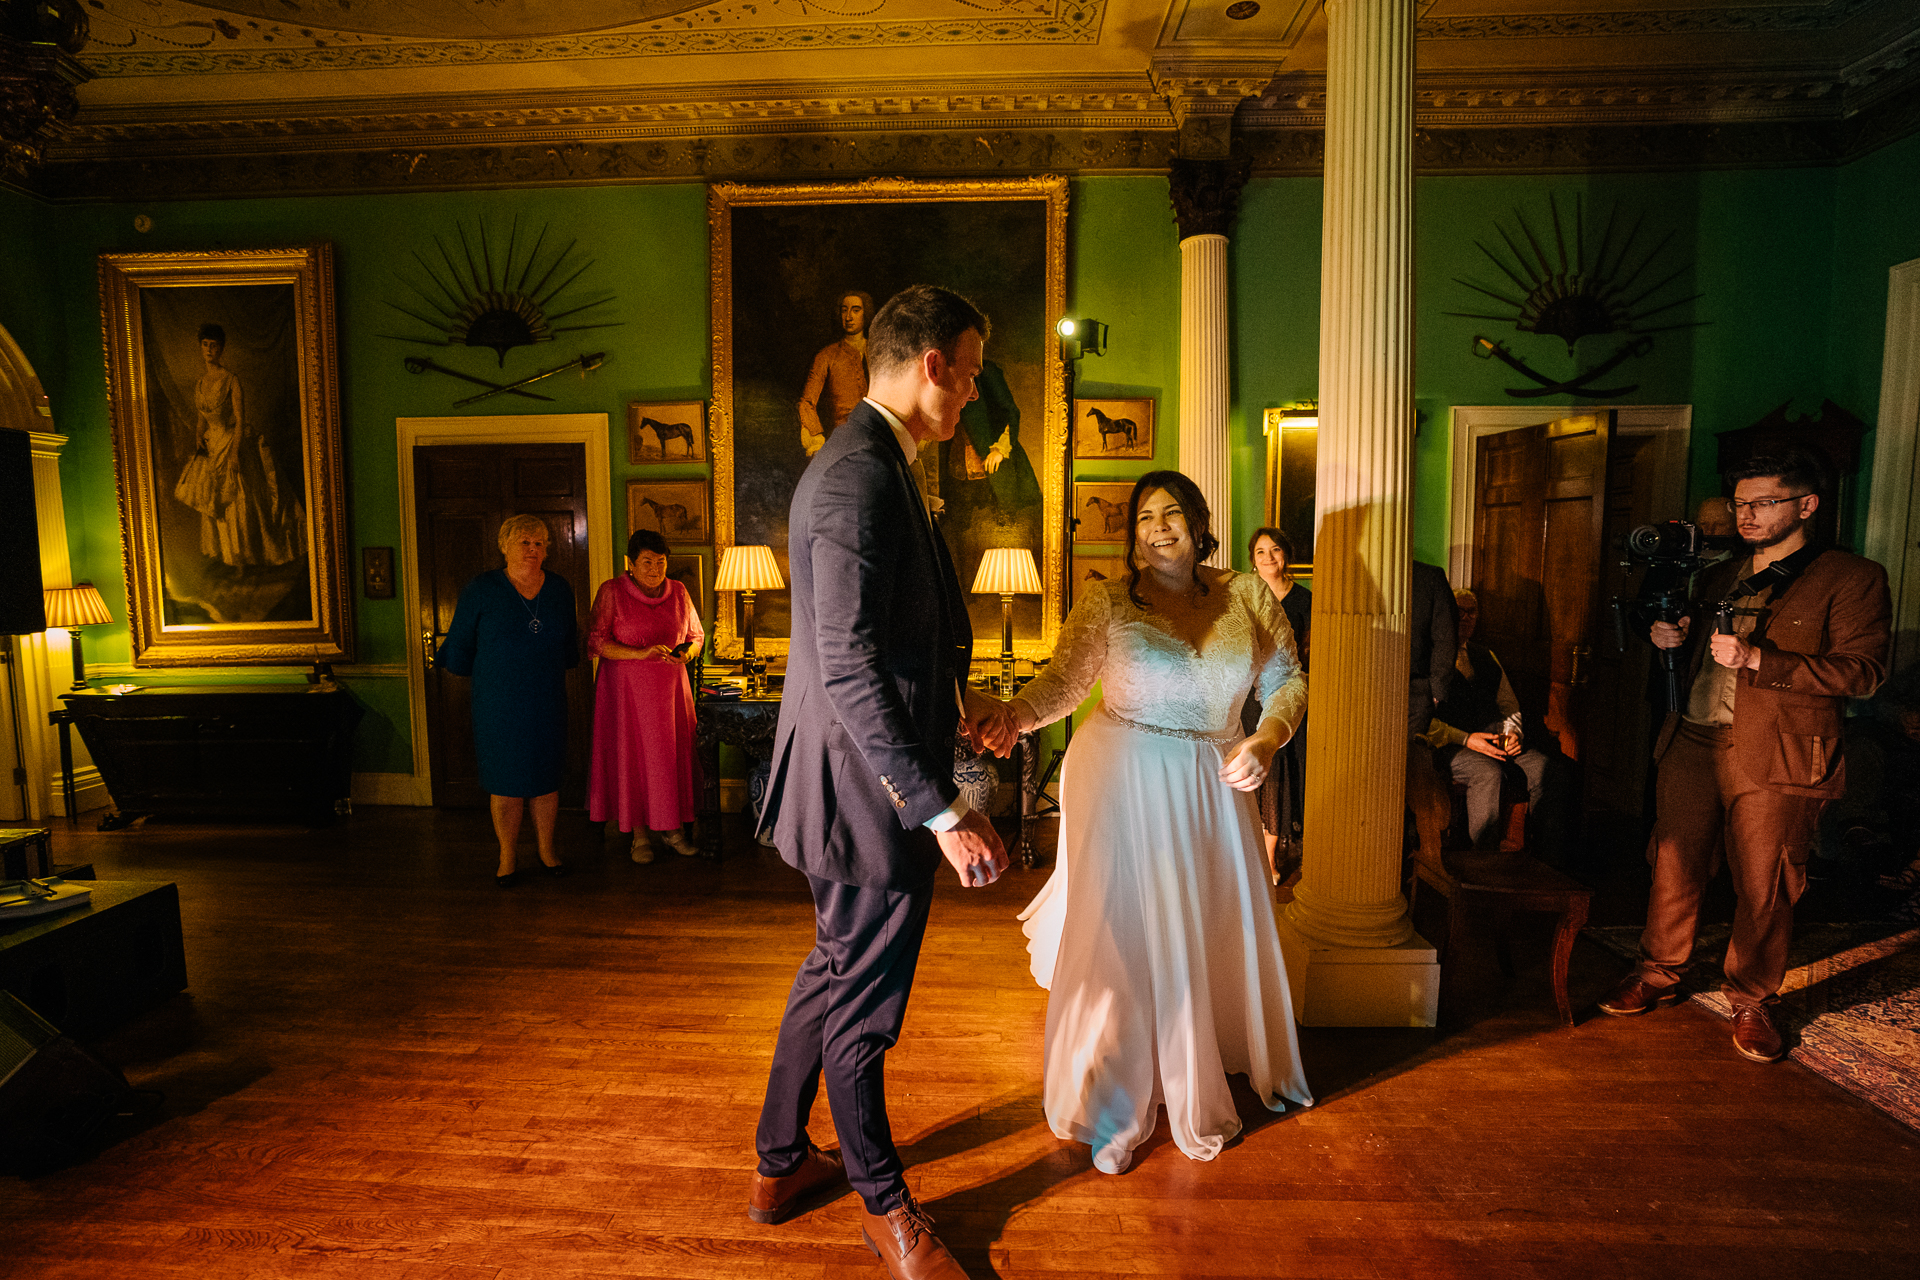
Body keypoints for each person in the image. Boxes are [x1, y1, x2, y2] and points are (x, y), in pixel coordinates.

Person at [749, 284, 1010, 1280]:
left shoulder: (877, 463)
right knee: (867, 1005)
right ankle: (885, 1204)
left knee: (832, 969)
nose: (976, 391)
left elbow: (892, 640)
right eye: (974, 370)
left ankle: (779, 1164)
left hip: (854, 778)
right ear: (935, 364)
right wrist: (942, 809)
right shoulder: (858, 474)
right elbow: (850, 667)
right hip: (868, 794)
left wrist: (966, 690)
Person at [1006, 470, 1312, 1177]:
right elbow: (1065, 683)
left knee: (1203, 926)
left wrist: (1265, 739)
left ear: (1200, 523)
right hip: (1123, 777)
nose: (1160, 525)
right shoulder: (1108, 602)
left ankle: (1197, 1053)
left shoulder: (1246, 594)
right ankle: (1118, 1102)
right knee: (1128, 938)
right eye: (1146, 517)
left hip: (1214, 779)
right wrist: (1015, 716)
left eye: (1174, 512)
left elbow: (1287, 680)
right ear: (1132, 536)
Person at [1598, 451, 1891, 1063]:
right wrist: (1669, 642)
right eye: (1741, 504)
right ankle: (1657, 970)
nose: (1747, 515)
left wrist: (1763, 661)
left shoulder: (1852, 576)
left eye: (1763, 503)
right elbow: (1700, 653)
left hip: (1778, 750)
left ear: (1805, 505)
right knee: (1673, 862)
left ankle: (1752, 995)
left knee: (1766, 877)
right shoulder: (1717, 575)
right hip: (1693, 737)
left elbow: (1864, 673)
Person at [437, 514, 580, 888]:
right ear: (504, 546)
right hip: (498, 702)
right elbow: (460, 647)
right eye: (524, 542)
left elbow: (569, 648)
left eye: (539, 543)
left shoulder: (561, 589)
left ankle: (547, 851)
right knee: (506, 781)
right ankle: (507, 856)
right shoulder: (481, 589)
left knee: (546, 779)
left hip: (547, 698)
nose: (533, 550)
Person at [586, 528, 704, 863]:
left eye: (661, 561)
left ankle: (673, 830)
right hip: (627, 695)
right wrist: (638, 654)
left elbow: (696, 634)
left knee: (669, 758)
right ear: (631, 563)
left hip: (670, 692)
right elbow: (596, 641)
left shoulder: (679, 591)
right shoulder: (612, 591)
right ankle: (639, 835)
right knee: (635, 758)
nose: (654, 568)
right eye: (647, 561)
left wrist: (688, 653)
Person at [1426, 589, 1557, 850]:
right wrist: (1466, 739)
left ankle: (1544, 859)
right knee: (1487, 772)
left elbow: (1510, 706)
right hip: (1450, 744)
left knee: (1546, 769)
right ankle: (1484, 860)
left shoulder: (1486, 656)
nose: (1465, 617)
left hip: (1493, 737)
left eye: (1471, 612)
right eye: (1459, 611)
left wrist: (1513, 734)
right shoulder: (1429, 657)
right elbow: (1419, 718)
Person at [172, 322, 304, 573]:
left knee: (238, 500)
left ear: (221, 349)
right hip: (212, 446)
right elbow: (201, 418)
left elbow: (241, 419)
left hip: (232, 442)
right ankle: (225, 555)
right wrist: (199, 436)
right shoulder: (200, 383)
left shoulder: (231, 380)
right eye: (205, 345)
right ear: (201, 348)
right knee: (214, 501)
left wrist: (234, 453)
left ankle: (244, 559)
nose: (209, 350)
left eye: (214, 346)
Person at [1243, 527, 1309, 880]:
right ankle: (1245, 854)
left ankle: (1267, 859)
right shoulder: (1244, 598)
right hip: (1248, 699)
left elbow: (1312, 654)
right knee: (1252, 772)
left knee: (1279, 778)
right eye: (1261, 552)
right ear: (1252, 560)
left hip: (1286, 700)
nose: (1269, 557)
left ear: (1287, 555)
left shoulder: (1306, 601)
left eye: (1276, 550)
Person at [797, 289, 874, 458]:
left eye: (855, 310)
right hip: (844, 444)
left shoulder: (879, 353)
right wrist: (816, 439)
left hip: (879, 441)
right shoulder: (827, 356)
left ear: (865, 313)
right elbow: (807, 402)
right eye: (844, 310)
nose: (849, 317)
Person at [1409, 561, 1458, 736]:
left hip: (1415, 692)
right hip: (1364, 686)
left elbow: (1445, 636)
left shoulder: (1430, 576)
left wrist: (1436, 692)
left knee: (1408, 756)